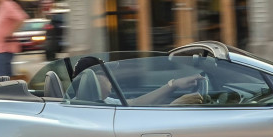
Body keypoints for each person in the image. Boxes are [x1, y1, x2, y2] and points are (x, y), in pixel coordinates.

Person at [70, 56, 205, 106]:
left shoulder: (102, 103)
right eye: (106, 74)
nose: (111, 78)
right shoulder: (87, 109)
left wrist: (173, 85)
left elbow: (136, 103)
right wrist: (173, 107)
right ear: (92, 79)